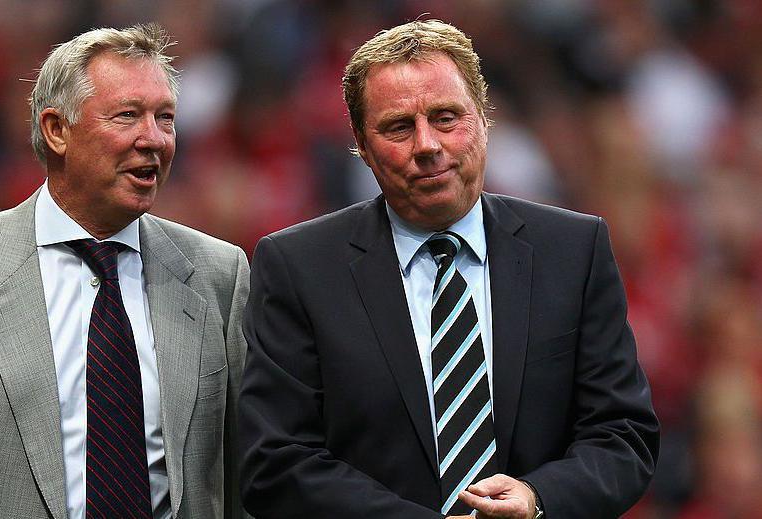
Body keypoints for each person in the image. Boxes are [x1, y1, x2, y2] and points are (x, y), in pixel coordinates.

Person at [238, 19, 659, 519]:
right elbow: (277, 461)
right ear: (362, 145)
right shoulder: (298, 267)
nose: (427, 145)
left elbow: (622, 436)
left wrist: (539, 497)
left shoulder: (573, 249)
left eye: (446, 118)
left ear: (484, 118)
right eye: (398, 126)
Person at [0, 24, 249, 519]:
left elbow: (241, 477)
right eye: (127, 116)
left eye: (165, 118)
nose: (154, 140)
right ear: (56, 130)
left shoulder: (219, 274)